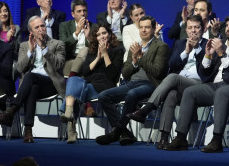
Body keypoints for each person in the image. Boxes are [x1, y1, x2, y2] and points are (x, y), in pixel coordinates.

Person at [165, 13, 229, 153]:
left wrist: (221, 53)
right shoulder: (219, 43)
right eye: (226, 25)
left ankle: (216, 140)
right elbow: (204, 74)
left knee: (222, 92)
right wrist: (208, 55)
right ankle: (181, 138)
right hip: (217, 85)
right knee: (190, 92)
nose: (227, 29)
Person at [126, 15, 208, 149]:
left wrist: (197, 49)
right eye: (190, 28)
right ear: (186, 30)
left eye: (197, 27)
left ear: (203, 29)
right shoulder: (180, 44)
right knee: (170, 95)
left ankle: (146, 109)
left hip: (199, 84)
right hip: (181, 86)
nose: (193, 31)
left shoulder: (208, 44)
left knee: (173, 78)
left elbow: (207, 70)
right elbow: (171, 65)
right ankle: (164, 138)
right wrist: (185, 53)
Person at [95, 15, 170, 146]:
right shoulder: (135, 46)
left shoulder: (161, 47)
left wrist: (140, 58)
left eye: (147, 27)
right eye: (141, 27)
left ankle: (116, 132)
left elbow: (158, 72)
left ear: (153, 29)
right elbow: (125, 73)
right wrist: (135, 62)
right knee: (103, 96)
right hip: (132, 83)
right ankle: (124, 131)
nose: (144, 30)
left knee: (132, 94)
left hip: (151, 84)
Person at [0, 16, 66, 143]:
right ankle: (28, 131)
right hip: (32, 85)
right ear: (31, 31)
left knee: (30, 76)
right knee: (33, 86)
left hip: (51, 84)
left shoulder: (57, 44)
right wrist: (30, 52)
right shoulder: (24, 46)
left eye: (42, 26)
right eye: (37, 27)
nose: (41, 29)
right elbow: (20, 69)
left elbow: (58, 65)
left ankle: (11, 111)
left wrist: (44, 48)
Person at [59, 24, 125, 143]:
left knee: (75, 91)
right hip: (89, 84)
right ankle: (69, 112)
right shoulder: (92, 49)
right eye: (98, 35)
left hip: (105, 87)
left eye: (104, 33)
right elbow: (85, 71)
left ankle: (71, 126)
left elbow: (112, 74)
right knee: (73, 80)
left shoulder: (117, 50)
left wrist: (105, 54)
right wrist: (97, 58)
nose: (102, 37)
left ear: (109, 34)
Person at [59, 0, 97, 76]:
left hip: (88, 59)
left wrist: (88, 37)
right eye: (79, 11)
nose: (82, 14)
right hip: (71, 58)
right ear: (73, 14)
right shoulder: (64, 26)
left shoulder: (94, 27)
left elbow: (97, 48)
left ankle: (71, 77)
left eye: (84, 11)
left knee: (85, 49)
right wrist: (76, 33)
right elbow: (62, 46)